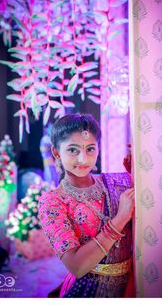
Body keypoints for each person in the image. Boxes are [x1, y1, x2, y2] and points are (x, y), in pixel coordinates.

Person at [38, 113, 135, 298]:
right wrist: (120, 218)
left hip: (130, 287)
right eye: (73, 150)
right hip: (87, 290)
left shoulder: (119, 182)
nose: (83, 159)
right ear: (56, 152)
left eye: (90, 149)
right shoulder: (53, 202)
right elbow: (77, 266)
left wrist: (139, 167)